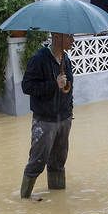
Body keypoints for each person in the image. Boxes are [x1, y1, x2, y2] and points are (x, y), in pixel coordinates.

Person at [20, 32, 75, 198]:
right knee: (37, 161)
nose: (73, 40)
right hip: (44, 121)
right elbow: (27, 87)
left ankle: (58, 199)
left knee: (58, 162)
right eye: (70, 36)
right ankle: (24, 200)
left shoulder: (65, 59)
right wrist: (54, 84)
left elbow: (68, 88)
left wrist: (69, 109)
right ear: (57, 37)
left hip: (64, 119)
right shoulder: (39, 58)